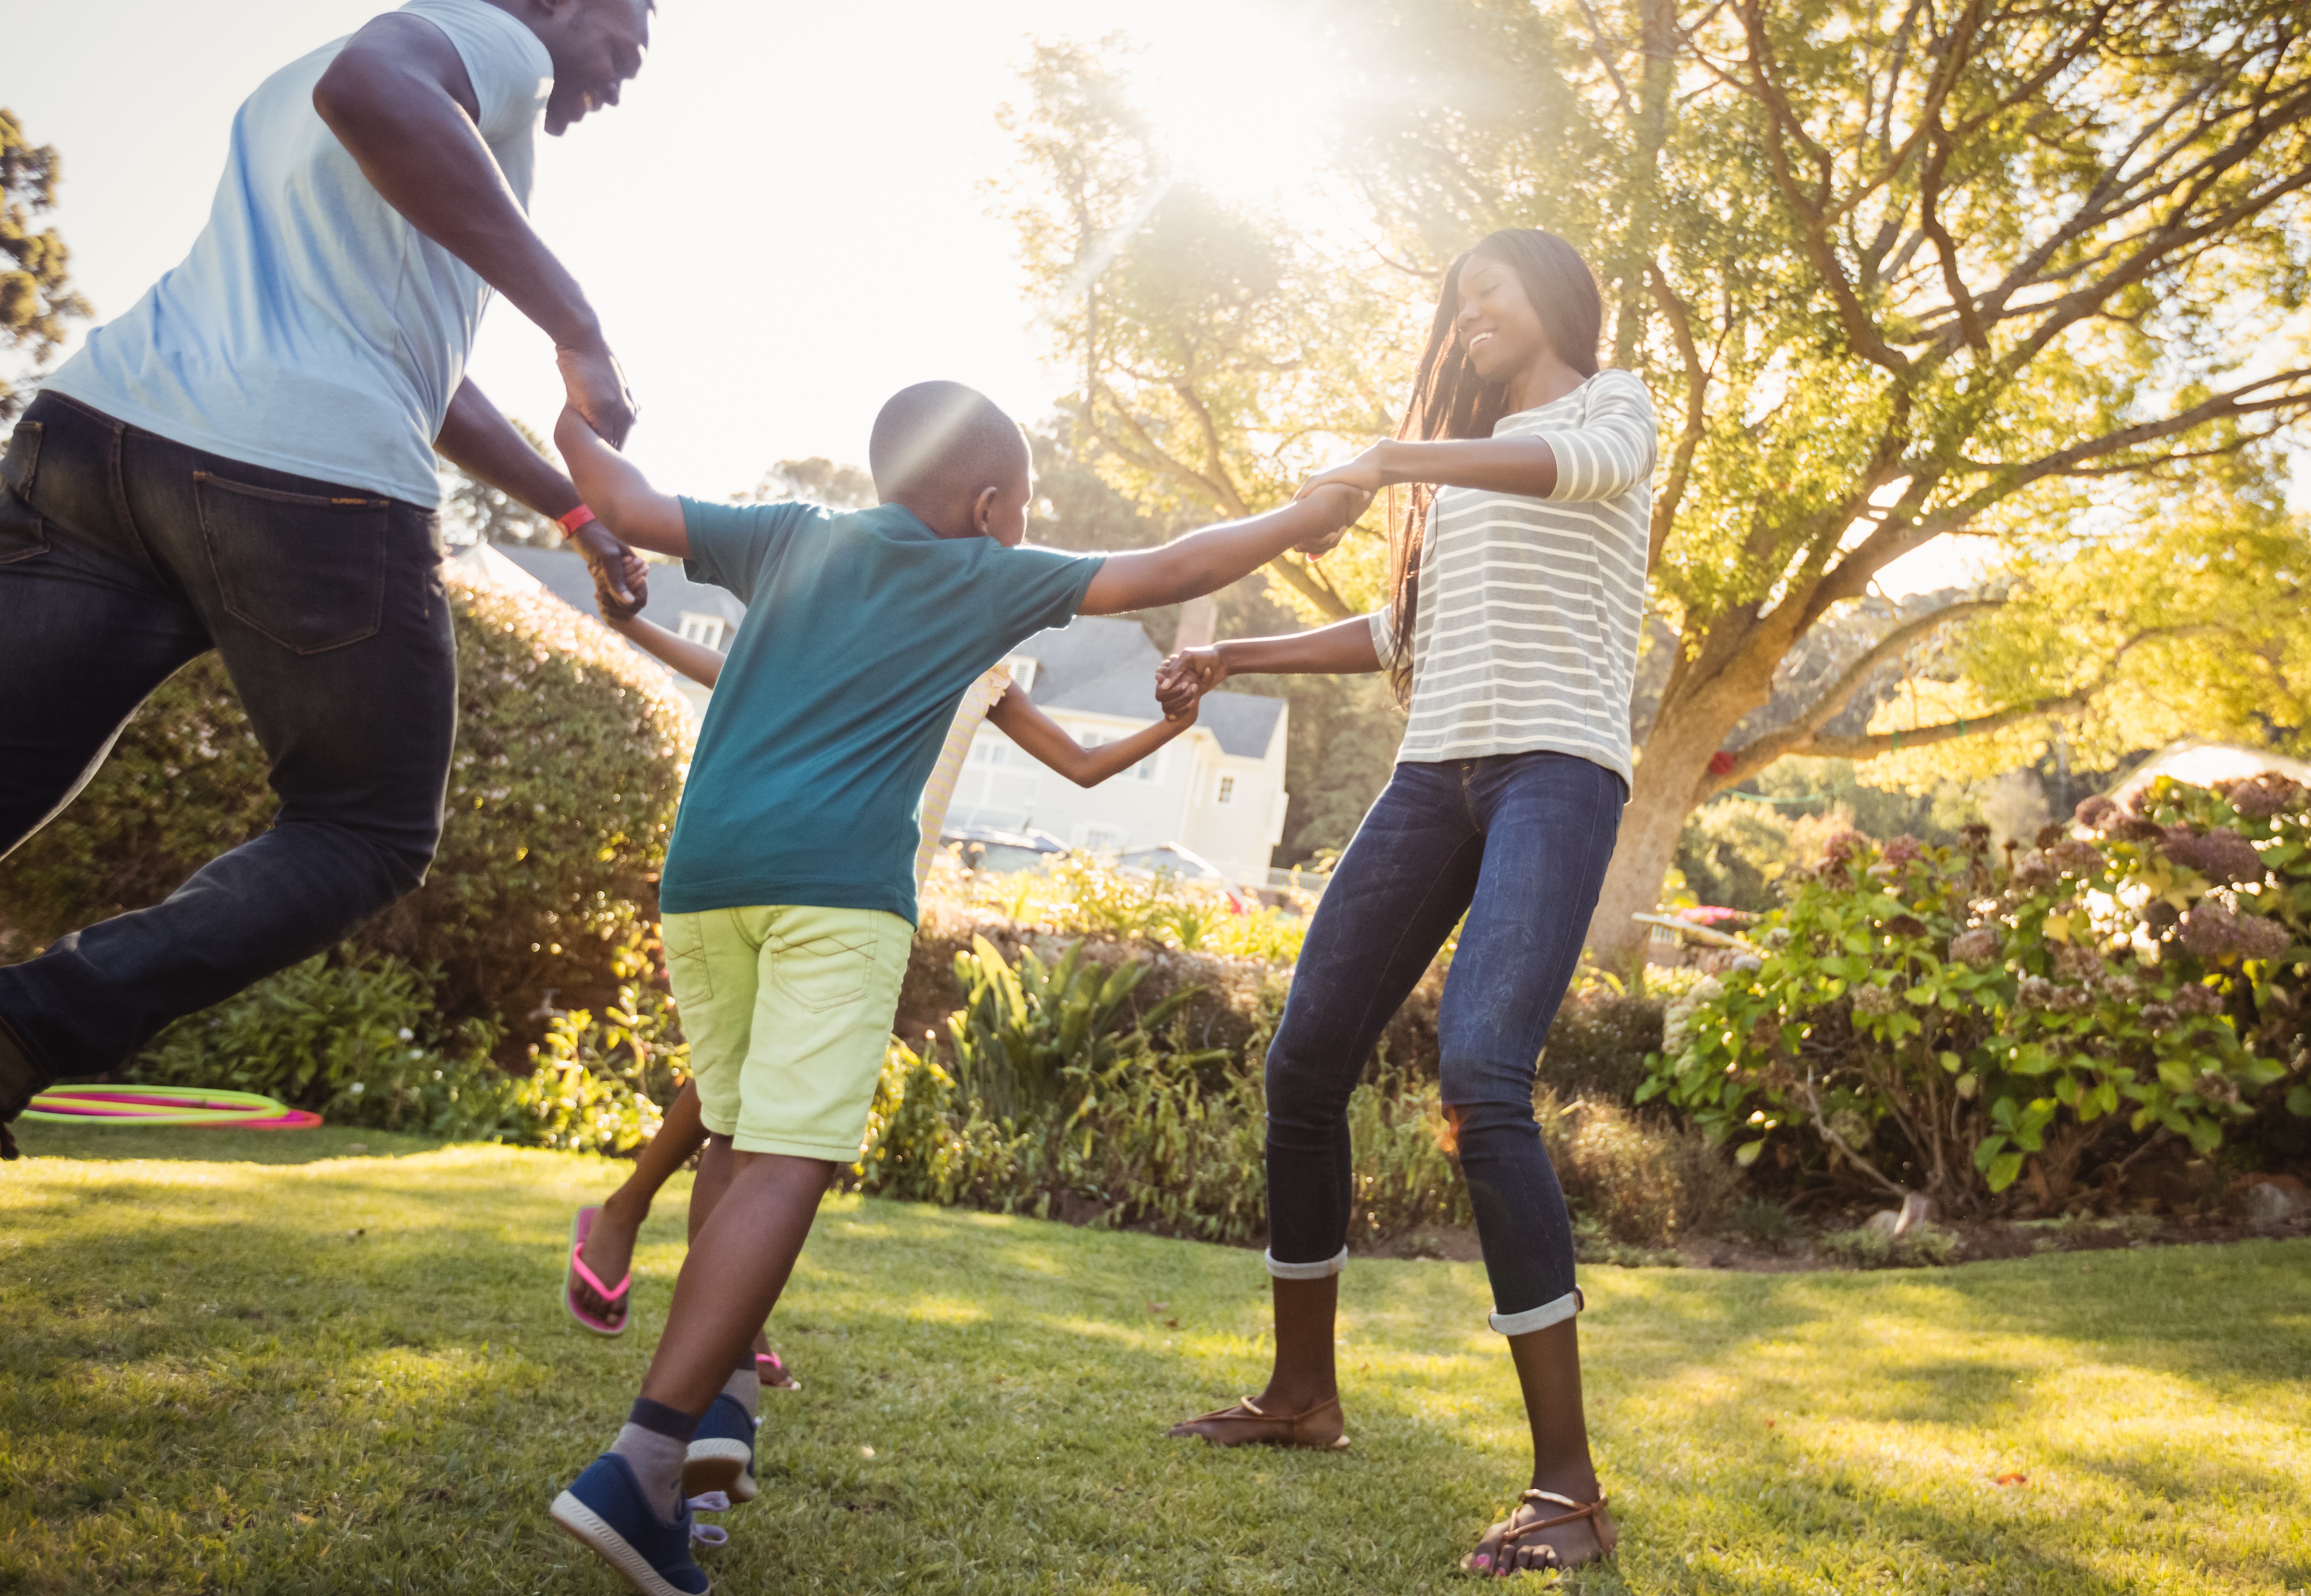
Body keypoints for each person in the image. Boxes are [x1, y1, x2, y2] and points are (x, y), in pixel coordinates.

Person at [542, 378, 1363, 1595]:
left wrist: (576, 402)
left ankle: (712, 1410)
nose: (1026, 528)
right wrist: (1308, 516)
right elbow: (1168, 562)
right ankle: (644, 1460)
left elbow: (613, 496)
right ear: (986, 506)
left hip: (704, 879)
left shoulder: (788, 536)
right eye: (1023, 507)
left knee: (730, 1127)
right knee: (788, 1157)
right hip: (836, 889)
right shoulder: (984, 579)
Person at [0, 0, 662, 1306]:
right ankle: (3, 1036)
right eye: (617, 47)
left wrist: (576, 516)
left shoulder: (370, 130)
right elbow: (375, 89)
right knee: (364, 827)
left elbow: (425, 374)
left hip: (98, 442)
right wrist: (578, 325)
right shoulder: (478, 52)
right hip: (296, 485)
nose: (614, 83)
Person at [1156, 229, 1655, 1577]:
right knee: (1304, 1062)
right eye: (1455, 300)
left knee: (1483, 1079)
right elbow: (1400, 636)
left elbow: (1568, 466)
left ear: (1550, 298)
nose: (1466, 314)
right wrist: (1235, 655)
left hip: (1556, 771)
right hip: (1433, 775)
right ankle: (1303, 1401)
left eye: (1485, 290)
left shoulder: (1612, 407)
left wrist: (1392, 457)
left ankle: (1568, 1489)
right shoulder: (1458, 477)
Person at [558, 603, 1201, 1390]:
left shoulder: (988, 662)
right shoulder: (863, 620)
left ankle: (640, 1226)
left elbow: (1083, 763)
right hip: (796, 869)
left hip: (878, 894)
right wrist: (639, 630)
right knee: (746, 1105)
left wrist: (1175, 727)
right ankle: (719, 1323)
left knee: (750, 1091)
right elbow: (740, 678)